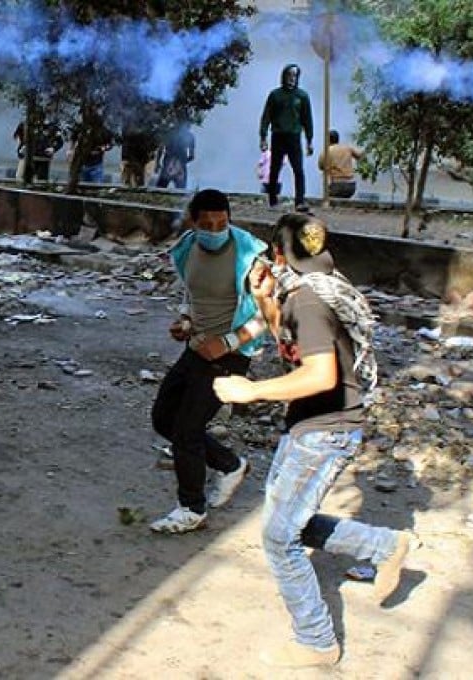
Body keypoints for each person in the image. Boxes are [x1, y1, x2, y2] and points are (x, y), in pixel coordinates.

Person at [212, 213, 410, 668]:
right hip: (312, 424)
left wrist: (252, 391)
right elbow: (294, 346)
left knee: (280, 538)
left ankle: (316, 641)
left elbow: (318, 373)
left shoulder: (308, 301)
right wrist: (265, 301)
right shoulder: (323, 284)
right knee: (288, 522)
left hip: (325, 430)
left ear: (279, 255)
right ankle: (383, 546)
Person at [149, 189, 271, 534]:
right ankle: (230, 464)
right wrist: (185, 321)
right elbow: (193, 294)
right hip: (197, 347)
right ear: (194, 221)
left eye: (222, 222)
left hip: (229, 356)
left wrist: (228, 342)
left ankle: (192, 508)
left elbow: (269, 316)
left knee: (187, 430)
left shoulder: (250, 255)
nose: (215, 229)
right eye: (208, 223)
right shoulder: (188, 248)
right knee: (163, 419)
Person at [260, 64, 314, 210]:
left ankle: (300, 201)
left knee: (298, 169)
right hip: (278, 135)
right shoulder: (275, 95)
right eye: (289, 75)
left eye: (295, 76)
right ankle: (272, 200)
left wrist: (309, 140)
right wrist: (263, 137)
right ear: (284, 76)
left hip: (294, 137)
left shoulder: (302, 96)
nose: (292, 78)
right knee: (275, 168)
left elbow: (307, 119)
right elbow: (266, 116)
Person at [319, 129, 363, 199]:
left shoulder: (326, 151)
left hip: (335, 186)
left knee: (325, 173)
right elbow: (360, 155)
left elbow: (321, 167)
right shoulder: (348, 148)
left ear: (328, 140)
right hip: (350, 186)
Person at [155, 122, 195, 189]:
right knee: (181, 192)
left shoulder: (169, 134)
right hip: (180, 167)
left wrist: (158, 163)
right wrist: (182, 162)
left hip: (168, 165)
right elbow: (191, 156)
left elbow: (161, 149)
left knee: (159, 190)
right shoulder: (190, 136)